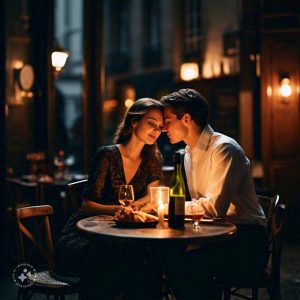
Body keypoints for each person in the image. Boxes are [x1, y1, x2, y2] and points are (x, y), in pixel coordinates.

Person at [160, 88, 268, 300]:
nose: (163, 128)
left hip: (246, 241)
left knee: (183, 264)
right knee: (161, 256)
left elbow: (213, 208)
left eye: (168, 120)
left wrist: (166, 207)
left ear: (186, 119)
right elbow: (200, 206)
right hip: (214, 236)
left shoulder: (224, 149)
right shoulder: (188, 153)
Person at [53, 98, 164, 300]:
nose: (156, 130)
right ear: (134, 122)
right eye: (151, 123)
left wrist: (134, 208)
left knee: (146, 259)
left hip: (125, 234)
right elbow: (87, 205)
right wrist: (118, 211)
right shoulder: (106, 155)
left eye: (160, 126)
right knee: (123, 260)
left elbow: (152, 195)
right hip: (86, 234)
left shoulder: (152, 159)